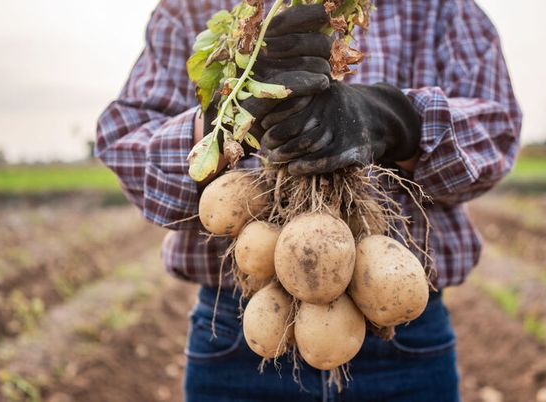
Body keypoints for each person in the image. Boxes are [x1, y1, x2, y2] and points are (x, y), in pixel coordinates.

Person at [96, 0, 521, 400]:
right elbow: (124, 145)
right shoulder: (191, 7)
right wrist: (229, 119)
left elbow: (498, 131)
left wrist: (394, 120)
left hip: (401, 326)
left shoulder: (438, 7)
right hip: (242, 328)